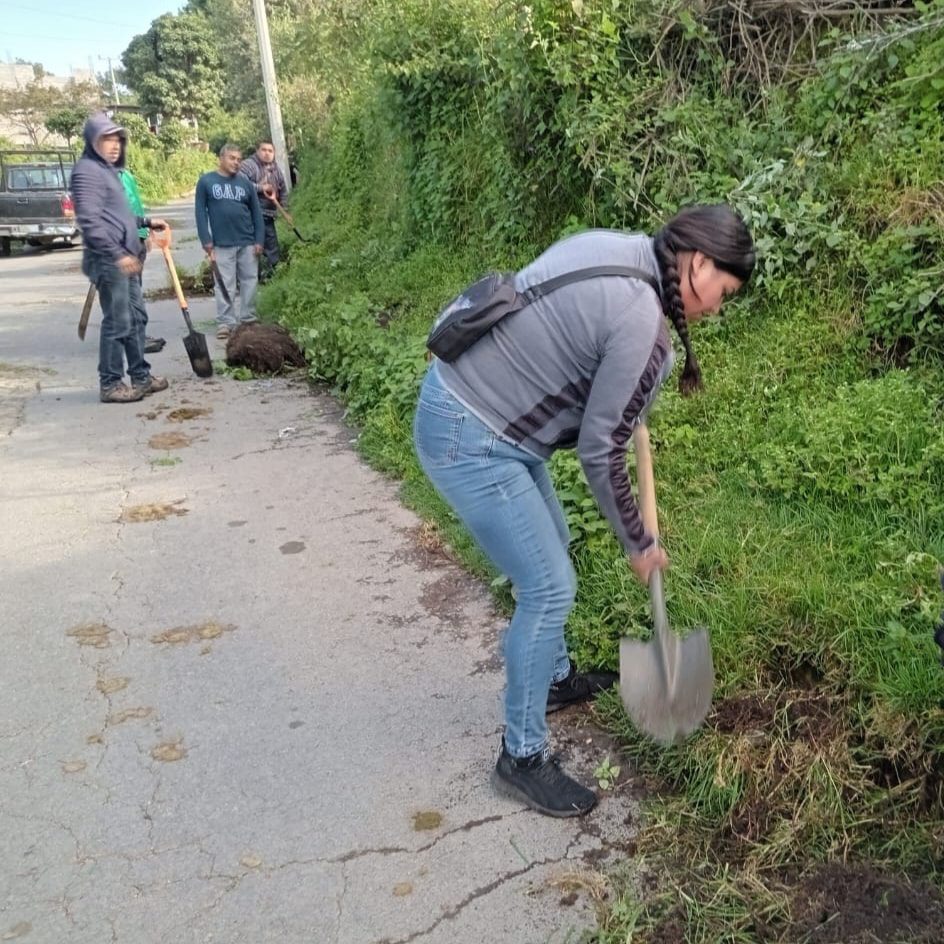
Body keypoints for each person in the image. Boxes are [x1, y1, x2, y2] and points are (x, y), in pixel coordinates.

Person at [413, 204, 755, 817]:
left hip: (469, 402)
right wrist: (639, 545)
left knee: (556, 539)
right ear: (699, 264)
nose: (716, 309)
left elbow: (572, 339)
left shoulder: (620, 249)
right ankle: (521, 756)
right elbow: (600, 452)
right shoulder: (641, 323)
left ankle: (554, 678)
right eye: (722, 293)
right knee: (548, 589)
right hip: (473, 433)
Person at [71, 113, 170, 403]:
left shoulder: (108, 171)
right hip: (110, 261)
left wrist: (147, 221)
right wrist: (116, 254)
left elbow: (119, 216)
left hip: (127, 257)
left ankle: (140, 375)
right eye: (106, 139)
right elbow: (90, 221)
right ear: (92, 141)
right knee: (118, 322)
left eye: (117, 139)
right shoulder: (87, 171)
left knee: (136, 319)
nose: (114, 145)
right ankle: (111, 383)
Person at [195, 144, 264, 340]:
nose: (236, 162)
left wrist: (259, 239)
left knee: (250, 281)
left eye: (239, 159)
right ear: (221, 158)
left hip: (247, 241)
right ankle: (225, 322)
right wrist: (205, 239)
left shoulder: (245, 184)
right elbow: (200, 212)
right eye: (232, 158)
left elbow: (256, 214)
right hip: (222, 243)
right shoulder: (206, 182)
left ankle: (248, 319)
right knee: (224, 283)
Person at [117, 166, 165, 355]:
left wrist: (145, 232)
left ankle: (138, 335)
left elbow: (135, 205)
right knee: (129, 295)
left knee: (135, 289)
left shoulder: (125, 174)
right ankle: (133, 339)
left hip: (136, 238)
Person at [239, 140, 287, 275]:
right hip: (250, 216)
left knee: (271, 245)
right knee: (253, 247)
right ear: (257, 151)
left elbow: (282, 190)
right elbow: (241, 184)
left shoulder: (275, 169)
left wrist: (286, 210)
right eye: (264, 150)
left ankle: (275, 273)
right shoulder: (248, 166)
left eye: (270, 151)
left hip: (267, 216)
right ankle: (253, 275)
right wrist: (261, 187)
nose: (267, 153)